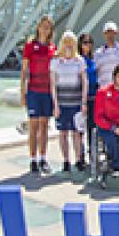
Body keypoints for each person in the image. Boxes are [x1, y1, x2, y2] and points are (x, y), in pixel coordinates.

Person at [20, 15, 56, 174]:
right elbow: (24, 71)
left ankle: (43, 158)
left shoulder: (52, 48)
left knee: (44, 126)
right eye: (43, 26)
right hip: (34, 91)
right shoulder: (30, 46)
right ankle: (33, 159)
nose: (45, 29)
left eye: (48, 27)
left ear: (51, 30)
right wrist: (23, 93)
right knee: (33, 127)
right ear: (38, 27)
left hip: (47, 91)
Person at [50, 31, 88, 172]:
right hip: (62, 102)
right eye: (66, 41)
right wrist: (55, 105)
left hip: (76, 102)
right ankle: (66, 160)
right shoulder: (56, 61)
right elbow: (53, 84)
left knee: (76, 133)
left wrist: (83, 102)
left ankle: (78, 159)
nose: (68, 45)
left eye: (71, 42)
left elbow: (84, 82)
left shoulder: (79, 61)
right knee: (63, 133)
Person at [78, 33, 97, 165]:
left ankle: (92, 155)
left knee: (92, 128)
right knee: (79, 129)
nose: (88, 45)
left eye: (90, 42)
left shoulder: (93, 60)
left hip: (93, 97)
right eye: (85, 42)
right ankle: (80, 156)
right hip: (80, 98)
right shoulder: (77, 60)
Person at [94, 21, 119, 88]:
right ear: (104, 34)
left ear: (116, 33)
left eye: (112, 32)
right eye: (107, 32)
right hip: (104, 89)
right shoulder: (98, 53)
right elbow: (96, 72)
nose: (110, 35)